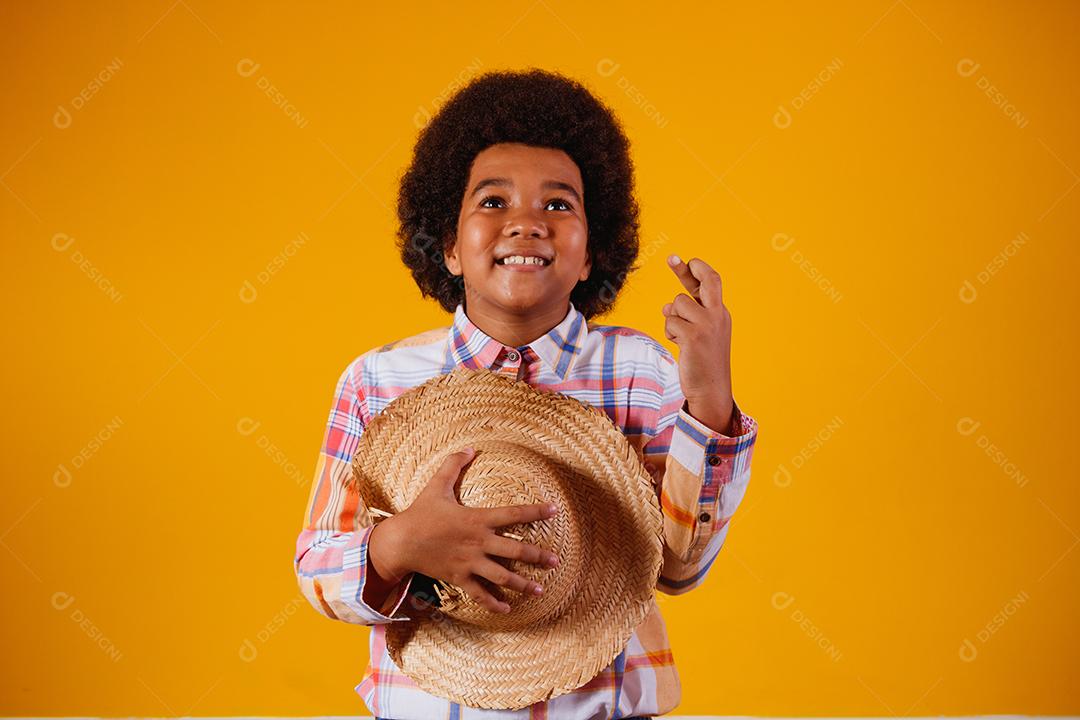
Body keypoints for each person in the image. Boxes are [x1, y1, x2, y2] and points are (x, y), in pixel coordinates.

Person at [294, 67, 759, 720]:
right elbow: (317, 570)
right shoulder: (378, 381)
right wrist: (396, 545)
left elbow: (677, 568)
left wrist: (708, 398)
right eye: (492, 202)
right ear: (449, 245)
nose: (526, 223)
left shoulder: (640, 371)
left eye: (558, 204)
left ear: (592, 251)